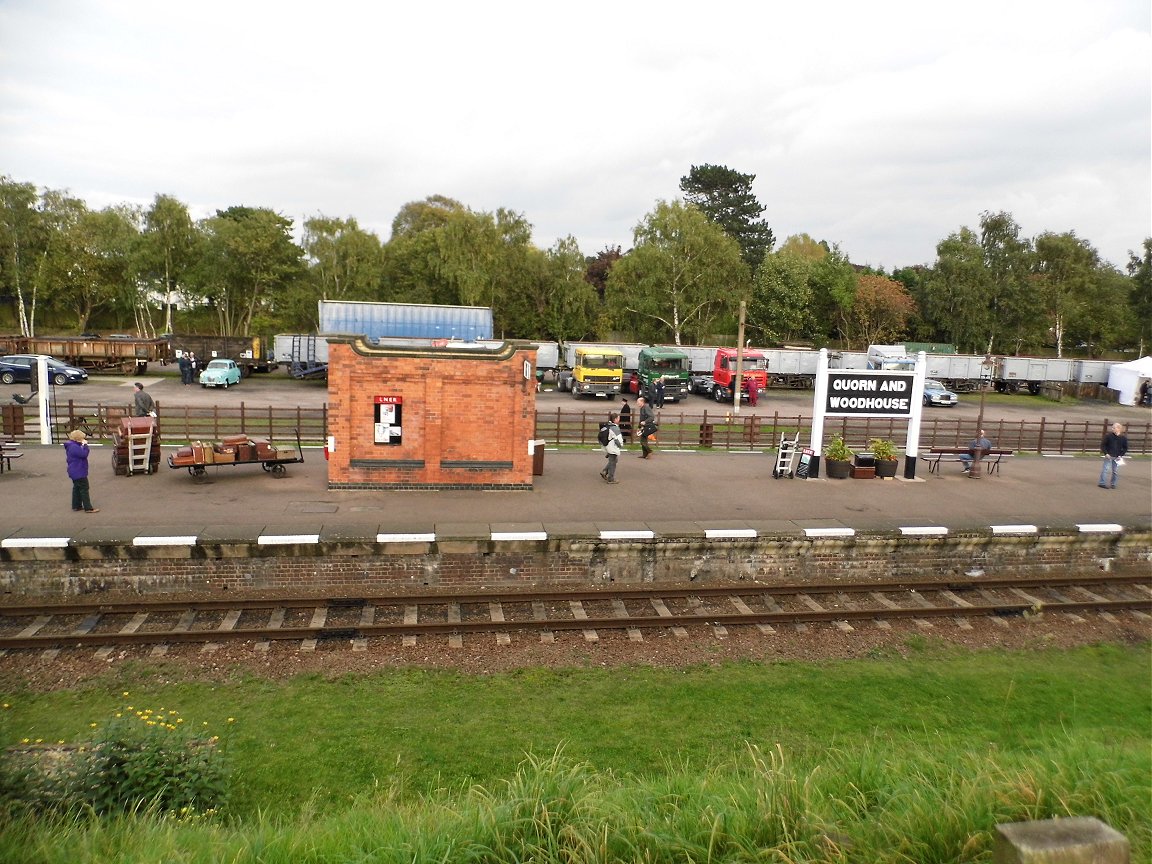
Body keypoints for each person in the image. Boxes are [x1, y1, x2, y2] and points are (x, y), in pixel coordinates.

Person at [64, 428, 98, 512]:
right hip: (78, 471)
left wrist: (82, 445)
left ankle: (76, 505)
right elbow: (83, 454)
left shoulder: (72, 445)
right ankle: (88, 507)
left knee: (77, 488)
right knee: (84, 488)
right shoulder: (74, 447)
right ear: (78, 439)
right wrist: (85, 446)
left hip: (74, 471)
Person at [1098, 422, 1128, 489]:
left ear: (1119, 429)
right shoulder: (1108, 436)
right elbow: (1103, 445)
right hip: (1109, 456)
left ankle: (1113, 483)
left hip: (1117, 457)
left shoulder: (1123, 438)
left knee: (1115, 471)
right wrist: (1106, 453)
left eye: (1114, 428)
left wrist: (1121, 455)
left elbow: (1125, 448)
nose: (1112, 429)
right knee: (1105, 470)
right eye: (1112, 427)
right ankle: (1102, 483)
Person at [599, 412, 624, 484]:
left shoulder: (607, 426)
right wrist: (621, 445)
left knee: (613, 460)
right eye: (618, 418)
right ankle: (611, 478)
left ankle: (604, 471)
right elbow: (618, 439)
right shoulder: (615, 428)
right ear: (615, 419)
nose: (619, 419)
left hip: (608, 446)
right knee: (613, 462)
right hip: (613, 447)